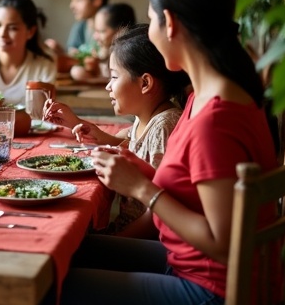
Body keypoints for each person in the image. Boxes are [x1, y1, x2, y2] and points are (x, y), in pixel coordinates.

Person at [27, 0, 278, 305]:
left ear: (171, 23)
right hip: (192, 264)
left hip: (214, 293)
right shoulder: (203, 95)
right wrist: (136, 167)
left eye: (152, 19)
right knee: (56, 258)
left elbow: (224, 243)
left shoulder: (216, 117)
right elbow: (191, 187)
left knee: (38, 293)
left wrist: (142, 188)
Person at [44, 23, 189, 232]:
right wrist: (77, 123)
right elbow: (127, 140)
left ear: (145, 83)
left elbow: (157, 215)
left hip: (144, 238)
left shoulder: (164, 126)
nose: (108, 86)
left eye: (114, 76)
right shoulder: (147, 118)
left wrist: (119, 238)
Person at [70, 2, 136, 82]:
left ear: (120, 32)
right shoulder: (99, 52)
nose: (95, 37)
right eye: (95, 30)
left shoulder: (128, 59)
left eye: (101, 31)